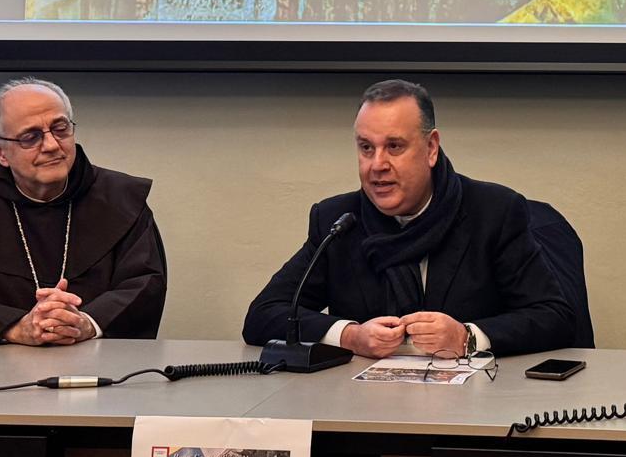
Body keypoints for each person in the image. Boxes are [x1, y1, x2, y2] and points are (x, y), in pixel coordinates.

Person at [242, 80, 575, 358]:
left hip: (474, 402)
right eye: (366, 148)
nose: (377, 165)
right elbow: (264, 314)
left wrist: (467, 337)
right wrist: (350, 336)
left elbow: (555, 316)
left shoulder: (493, 212)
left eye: (394, 147)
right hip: (363, 404)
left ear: (431, 148)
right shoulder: (339, 222)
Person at [0, 78, 167, 348]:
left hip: (104, 363)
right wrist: (15, 327)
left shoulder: (123, 200)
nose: (52, 145)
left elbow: (146, 283)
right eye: (30, 137)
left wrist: (86, 323)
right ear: (1, 152)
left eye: (60, 129)